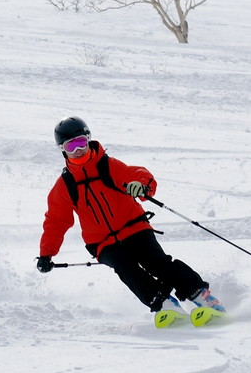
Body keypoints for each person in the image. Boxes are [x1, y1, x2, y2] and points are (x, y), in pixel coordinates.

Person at [36, 115, 224, 319]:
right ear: (62, 150)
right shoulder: (65, 185)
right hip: (102, 243)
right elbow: (56, 221)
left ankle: (202, 296)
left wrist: (141, 187)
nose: (78, 149)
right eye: (71, 146)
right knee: (125, 267)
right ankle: (165, 305)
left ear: (88, 139)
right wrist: (46, 254)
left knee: (157, 263)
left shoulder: (108, 166)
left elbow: (140, 175)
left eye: (81, 142)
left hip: (135, 229)